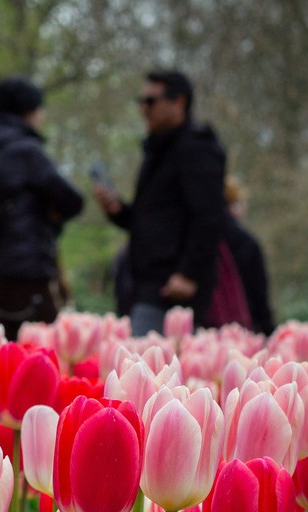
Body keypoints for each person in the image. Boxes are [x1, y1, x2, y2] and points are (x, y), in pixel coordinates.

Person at [93, 70, 226, 336]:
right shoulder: (157, 150)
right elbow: (152, 220)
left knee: (150, 365)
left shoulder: (196, 148)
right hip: (145, 280)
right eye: (140, 101)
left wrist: (188, 273)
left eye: (151, 101)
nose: (143, 108)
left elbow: (209, 216)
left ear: (178, 102)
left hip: (172, 287)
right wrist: (119, 211)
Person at [0, 77, 84, 332]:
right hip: (27, 267)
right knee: (41, 347)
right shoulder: (25, 150)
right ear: (29, 111)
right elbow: (73, 200)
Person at [215, 176, 274, 333]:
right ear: (234, 205)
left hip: (207, 322)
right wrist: (267, 329)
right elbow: (259, 293)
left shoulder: (197, 238)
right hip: (243, 323)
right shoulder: (247, 242)